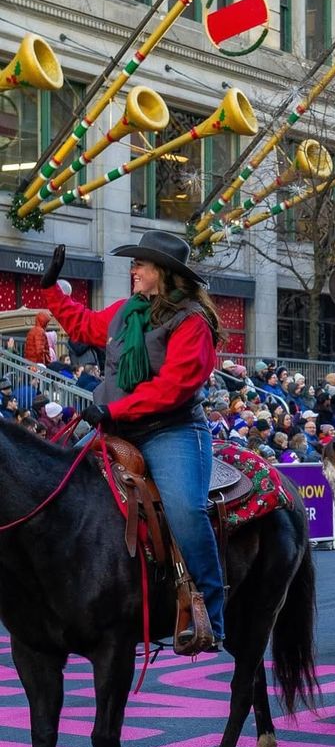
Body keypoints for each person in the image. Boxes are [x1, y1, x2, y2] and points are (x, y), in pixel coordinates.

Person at [39, 233, 226, 651]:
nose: (133, 270)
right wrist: (50, 289)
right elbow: (83, 325)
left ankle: (210, 611)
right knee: (55, 488)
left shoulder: (192, 321)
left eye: (140, 264)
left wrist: (113, 410)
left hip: (172, 430)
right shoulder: (127, 312)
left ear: (164, 273)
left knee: (186, 510)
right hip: (117, 426)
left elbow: (174, 387)